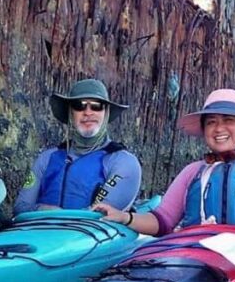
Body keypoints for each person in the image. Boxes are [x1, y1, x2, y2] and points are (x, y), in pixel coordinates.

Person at [93, 88, 235, 244]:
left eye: (228, 120)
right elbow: (162, 221)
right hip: (198, 252)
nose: (219, 128)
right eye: (211, 122)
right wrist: (125, 218)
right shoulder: (193, 171)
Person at [13, 79, 142, 215]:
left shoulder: (123, 162)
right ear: (70, 113)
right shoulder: (46, 158)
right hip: (41, 232)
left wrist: (60, 216)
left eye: (96, 106)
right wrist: (42, 209)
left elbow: (102, 213)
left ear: (106, 113)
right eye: (79, 105)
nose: (88, 112)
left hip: (89, 234)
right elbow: (20, 207)